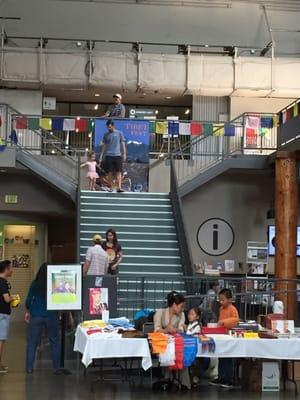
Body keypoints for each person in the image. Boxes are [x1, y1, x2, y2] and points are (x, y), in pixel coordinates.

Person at [25, 263, 70, 375]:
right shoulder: (54, 284)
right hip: (51, 315)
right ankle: (56, 367)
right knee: (54, 341)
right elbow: (59, 298)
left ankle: (29, 368)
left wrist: (28, 310)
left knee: (32, 342)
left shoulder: (34, 284)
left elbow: (29, 300)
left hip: (36, 315)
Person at [154, 291, 191, 390]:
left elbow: (181, 329)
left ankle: (183, 383)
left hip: (176, 342)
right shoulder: (160, 313)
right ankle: (168, 379)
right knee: (168, 353)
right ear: (174, 305)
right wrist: (166, 330)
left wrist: (175, 330)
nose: (182, 309)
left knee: (183, 353)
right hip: (162, 342)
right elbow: (156, 329)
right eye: (181, 306)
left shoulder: (181, 315)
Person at [210, 288, 239, 389]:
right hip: (222, 335)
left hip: (229, 336)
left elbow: (236, 320)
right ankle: (221, 377)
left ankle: (229, 379)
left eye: (223, 300)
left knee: (227, 357)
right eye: (220, 300)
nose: (221, 302)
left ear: (230, 300)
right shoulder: (221, 309)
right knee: (221, 356)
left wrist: (224, 322)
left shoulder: (233, 309)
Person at [99, 119, 126, 193]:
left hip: (117, 155)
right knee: (109, 172)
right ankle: (111, 187)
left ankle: (119, 187)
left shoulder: (119, 133)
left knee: (119, 172)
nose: (109, 128)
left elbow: (123, 144)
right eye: (108, 127)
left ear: (113, 126)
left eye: (110, 127)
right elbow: (104, 146)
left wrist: (124, 154)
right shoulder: (106, 135)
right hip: (109, 155)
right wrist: (101, 156)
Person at [0, 260, 16, 374]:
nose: (12, 270)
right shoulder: (3, 282)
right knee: (1, 340)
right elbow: (6, 299)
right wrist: (13, 297)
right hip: (2, 315)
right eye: (10, 268)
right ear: (6, 269)